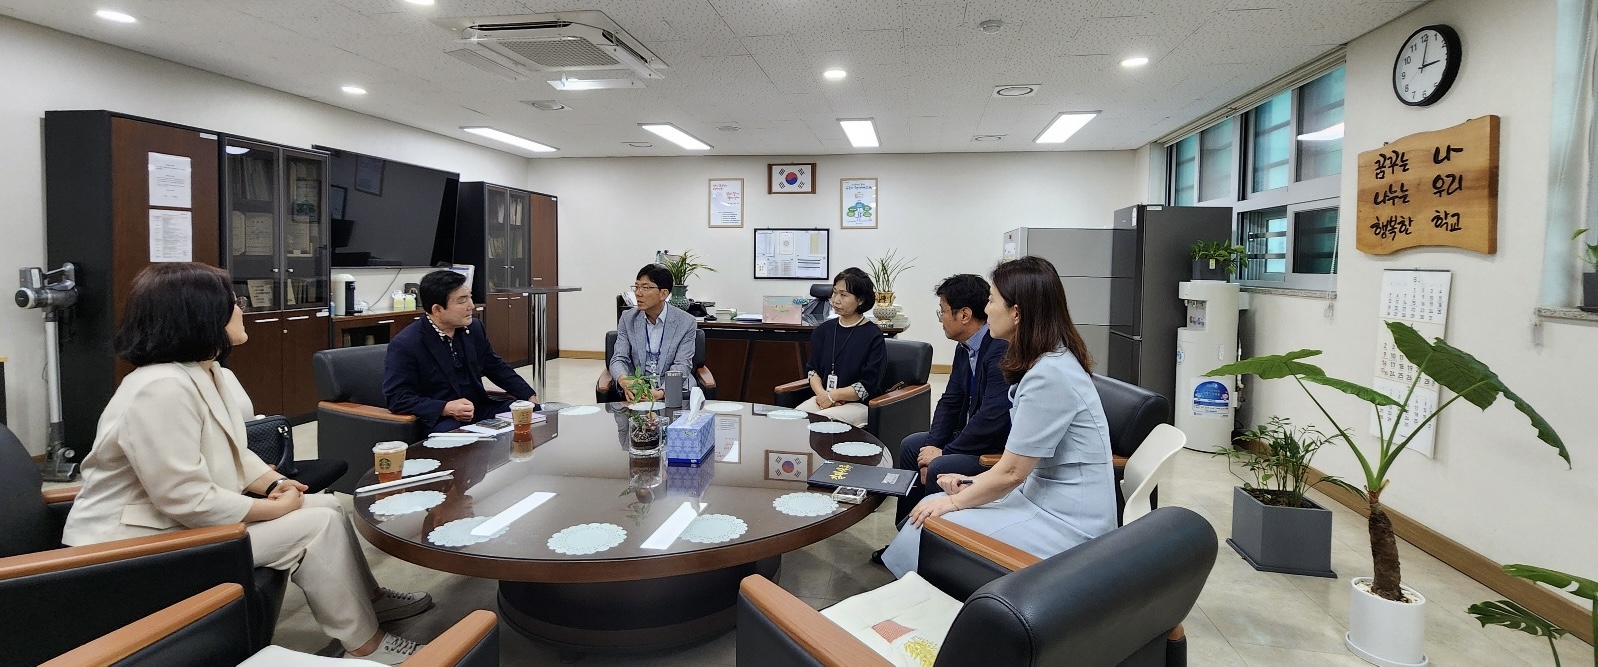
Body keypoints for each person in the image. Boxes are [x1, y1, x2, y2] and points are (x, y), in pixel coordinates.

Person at [61, 263, 432, 664]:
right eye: (233, 302)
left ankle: (371, 599)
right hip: (133, 546)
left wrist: (274, 484)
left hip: (175, 523)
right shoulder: (159, 389)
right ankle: (364, 645)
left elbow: (235, 450)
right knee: (315, 526)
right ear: (201, 315)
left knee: (326, 505)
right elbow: (185, 498)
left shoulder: (207, 372)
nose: (242, 308)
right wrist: (273, 509)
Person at [881, 256, 1117, 578]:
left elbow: (1012, 473)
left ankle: (914, 598)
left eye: (992, 301)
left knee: (930, 522)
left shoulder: (1050, 375)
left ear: (1016, 313)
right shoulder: (1048, 360)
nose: (987, 309)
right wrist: (971, 482)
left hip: (1066, 522)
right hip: (1037, 496)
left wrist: (955, 501)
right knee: (932, 508)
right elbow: (1014, 468)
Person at [889, 274, 1012, 527]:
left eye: (943, 311)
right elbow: (950, 401)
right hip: (969, 436)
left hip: (993, 446)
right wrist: (932, 447)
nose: (941, 319)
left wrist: (944, 452)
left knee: (941, 464)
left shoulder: (999, 348)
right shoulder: (964, 347)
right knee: (912, 446)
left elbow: (993, 415)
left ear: (964, 315)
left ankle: (929, 538)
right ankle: (905, 531)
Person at [385, 270, 538, 433]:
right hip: (442, 419)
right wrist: (446, 407)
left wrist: (528, 395)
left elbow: (495, 366)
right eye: (462, 301)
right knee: (461, 439)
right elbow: (397, 398)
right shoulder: (406, 344)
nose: (471, 306)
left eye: (470, 297)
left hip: (479, 409)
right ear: (437, 309)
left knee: (532, 412)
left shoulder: (474, 328)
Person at [796, 268, 885, 427]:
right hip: (823, 398)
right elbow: (812, 370)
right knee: (795, 419)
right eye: (834, 292)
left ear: (860, 300)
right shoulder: (823, 330)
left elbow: (868, 384)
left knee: (819, 422)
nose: (836, 300)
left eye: (843, 295)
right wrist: (823, 395)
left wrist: (834, 396)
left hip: (858, 404)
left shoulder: (873, 335)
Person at [609, 264, 699, 402]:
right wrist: (624, 380)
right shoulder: (628, 319)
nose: (638, 293)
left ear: (663, 293)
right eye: (636, 287)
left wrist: (662, 392)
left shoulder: (686, 322)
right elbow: (618, 358)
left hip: (671, 388)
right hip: (636, 387)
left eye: (645, 288)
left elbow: (682, 364)